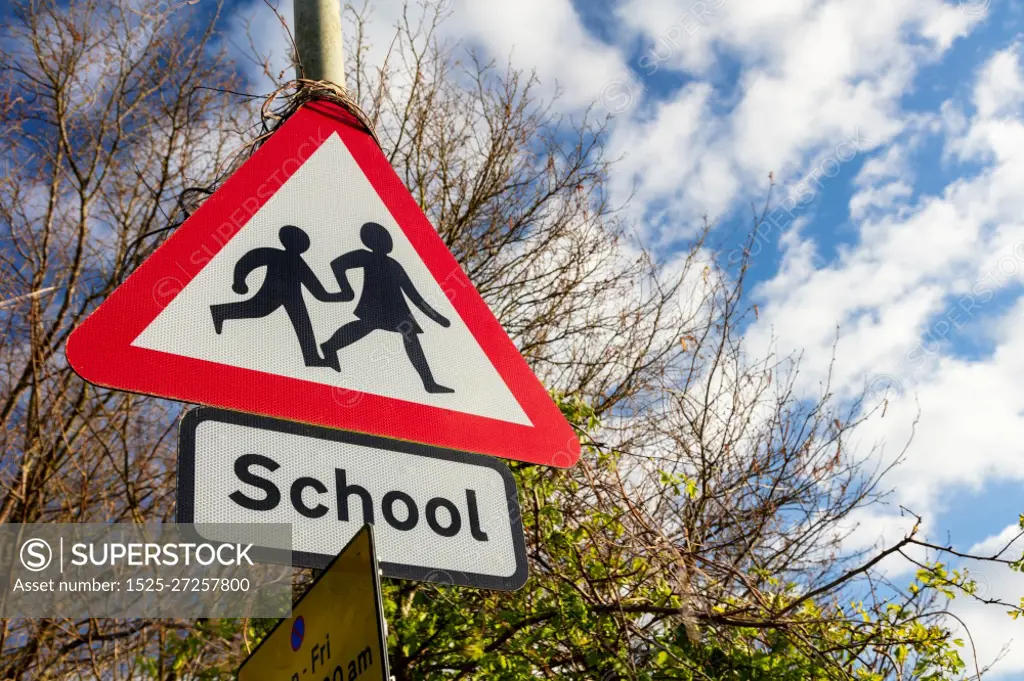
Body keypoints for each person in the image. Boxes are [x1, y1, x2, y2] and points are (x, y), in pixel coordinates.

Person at [321, 222, 454, 394]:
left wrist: (437, 318)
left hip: (396, 308)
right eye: (383, 238)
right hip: (376, 303)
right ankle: (330, 346)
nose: (388, 242)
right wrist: (346, 289)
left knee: (407, 335)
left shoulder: (393, 264)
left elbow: (414, 295)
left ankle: (429, 383)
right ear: (371, 241)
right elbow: (338, 264)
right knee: (365, 327)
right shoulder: (365, 256)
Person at [210, 225, 349, 367]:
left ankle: (312, 358)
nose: (301, 245)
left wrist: (341, 297)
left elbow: (318, 292)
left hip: (293, 299)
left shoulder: (299, 263)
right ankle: (220, 312)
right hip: (273, 293)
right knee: (258, 310)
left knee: (303, 325)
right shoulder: (275, 255)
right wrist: (239, 281)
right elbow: (249, 261)